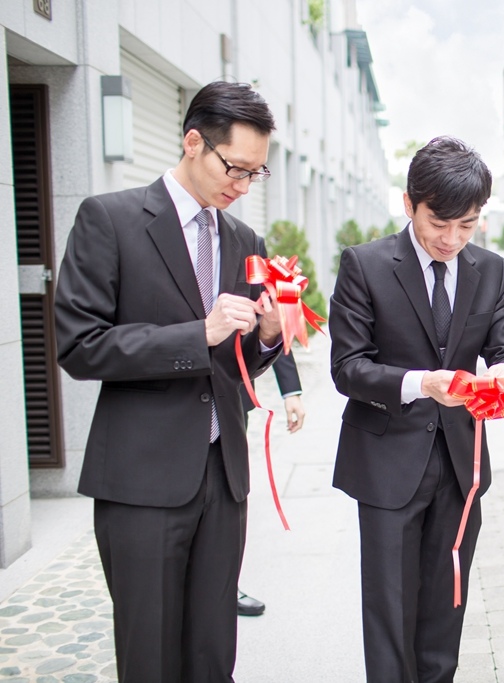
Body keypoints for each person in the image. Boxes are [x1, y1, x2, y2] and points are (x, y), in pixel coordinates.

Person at [54, 81, 281, 682]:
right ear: (192, 142)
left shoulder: (243, 241)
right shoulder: (112, 219)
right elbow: (79, 346)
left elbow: (239, 366)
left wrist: (265, 336)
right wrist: (196, 334)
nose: (242, 186)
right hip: (142, 480)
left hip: (222, 475)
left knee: (213, 653)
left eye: (255, 175)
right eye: (235, 168)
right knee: (150, 655)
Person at [329, 136, 504, 682]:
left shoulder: (490, 269)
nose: (452, 239)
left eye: (467, 226)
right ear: (409, 203)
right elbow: (347, 368)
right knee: (391, 611)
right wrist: (421, 384)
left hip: (460, 466)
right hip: (388, 465)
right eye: (440, 223)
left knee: (448, 604)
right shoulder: (365, 266)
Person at [238, 343, 306, 617]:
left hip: (230, 394)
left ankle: (222, 585)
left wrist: (291, 391)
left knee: (228, 496)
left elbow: (274, 317)